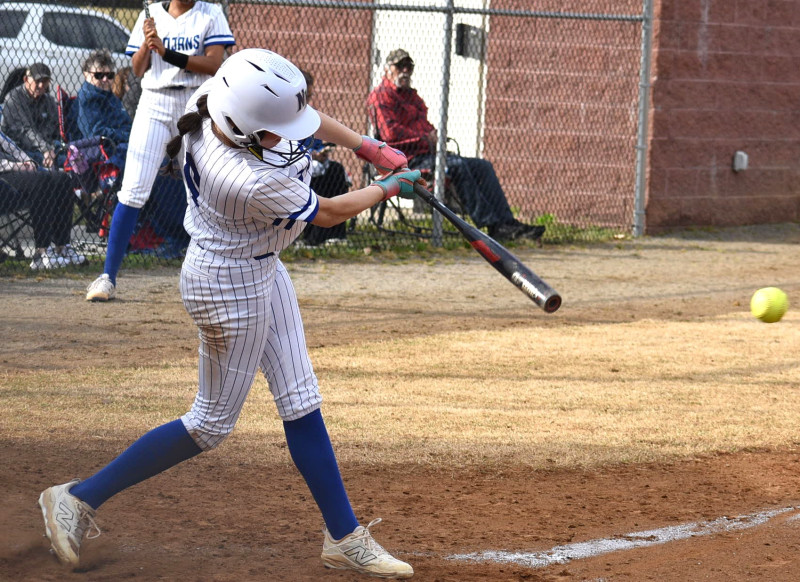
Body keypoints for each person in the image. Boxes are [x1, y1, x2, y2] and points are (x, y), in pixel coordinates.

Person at [38, 48, 419, 579]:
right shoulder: (243, 177)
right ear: (245, 131)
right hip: (227, 287)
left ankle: (344, 536)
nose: (287, 134)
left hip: (260, 267)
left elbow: (301, 118)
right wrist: (389, 188)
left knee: (300, 399)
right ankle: (78, 497)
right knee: (210, 424)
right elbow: (331, 212)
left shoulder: (216, 99)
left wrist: (368, 146)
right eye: (273, 131)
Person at [85, 0, 234, 301]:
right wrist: (147, 43)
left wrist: (167, 53)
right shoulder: (151, 14)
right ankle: (107, 277)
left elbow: (213, 64)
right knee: (133, 190)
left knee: (204, 191)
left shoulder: (210, 12)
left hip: (195, 102)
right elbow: (138, 69)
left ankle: (215, 276)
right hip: (153, 102)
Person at [368, 48, 546, 243]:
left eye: (409, 66)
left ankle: (507, 222)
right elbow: (390, 133)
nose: (405, 70)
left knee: (482, 166)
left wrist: (434, 136)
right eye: (400, 66)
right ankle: (492, 224)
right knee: (457, 167)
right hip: (404, 160)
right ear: (387, 69)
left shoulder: (413, 97)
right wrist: (425, 138)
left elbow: (426, 127)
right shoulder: (381, 95)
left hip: (429, 154)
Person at [0, 132, 84, 268]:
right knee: (41, 181)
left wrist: (29, 162)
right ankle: (42, 252)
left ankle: (63, 247)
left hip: (12, 168)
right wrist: (15, 166)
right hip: (3, 175)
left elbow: (11, 147)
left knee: (62, 179)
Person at [300, 70, 351, 246]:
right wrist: (310, 155)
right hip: (294, 166)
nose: (307, 101)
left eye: (310, 96)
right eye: (304, 96)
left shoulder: (309, 116)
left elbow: (316, 144)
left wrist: (320, 153)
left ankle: (335, 234)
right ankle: (312, 237)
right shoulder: (280, 116)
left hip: (314, 163)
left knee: (336, 170)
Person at [76, 50, 132, 172]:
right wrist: (126, 135)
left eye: (110, 75)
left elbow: (126, 122)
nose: (105, 79)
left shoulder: (109, 96)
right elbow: (96, 133)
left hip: (118, 142)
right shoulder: (88, 98)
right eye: (99, 75)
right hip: (102, 149)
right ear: (86, 75)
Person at [0, 63, 62, 169]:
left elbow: (56, 128)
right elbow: (26, 131)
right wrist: (46, 149)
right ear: (26, 79)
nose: (41, 85)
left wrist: (52, 147)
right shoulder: (14, 99)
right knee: (57, 163)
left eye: (45, 81)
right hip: (20, 150)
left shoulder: (49, 101)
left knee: (71, 158)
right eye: (38, 81)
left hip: (45, 148)